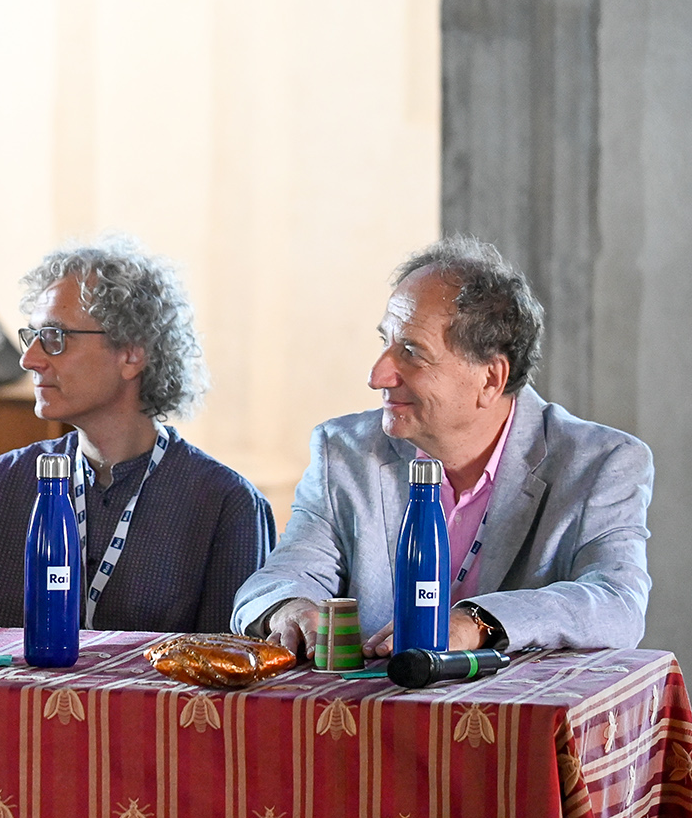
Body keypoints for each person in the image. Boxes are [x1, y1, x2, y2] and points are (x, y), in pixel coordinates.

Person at [234, 238, 652, 654]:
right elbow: (281, 578)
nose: (377, 376)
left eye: (411, 352)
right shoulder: (343, 452)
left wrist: (477, 623)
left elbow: (617, 604)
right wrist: (289, 608)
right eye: (385, 343)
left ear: (490, 378)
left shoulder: (600, 463)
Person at [0, 238, 274, 633]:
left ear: (131, 354)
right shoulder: (3, 483)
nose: (28, 359)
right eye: (33, 337)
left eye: (55, 338)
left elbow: (227, 663)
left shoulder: (226, 503)